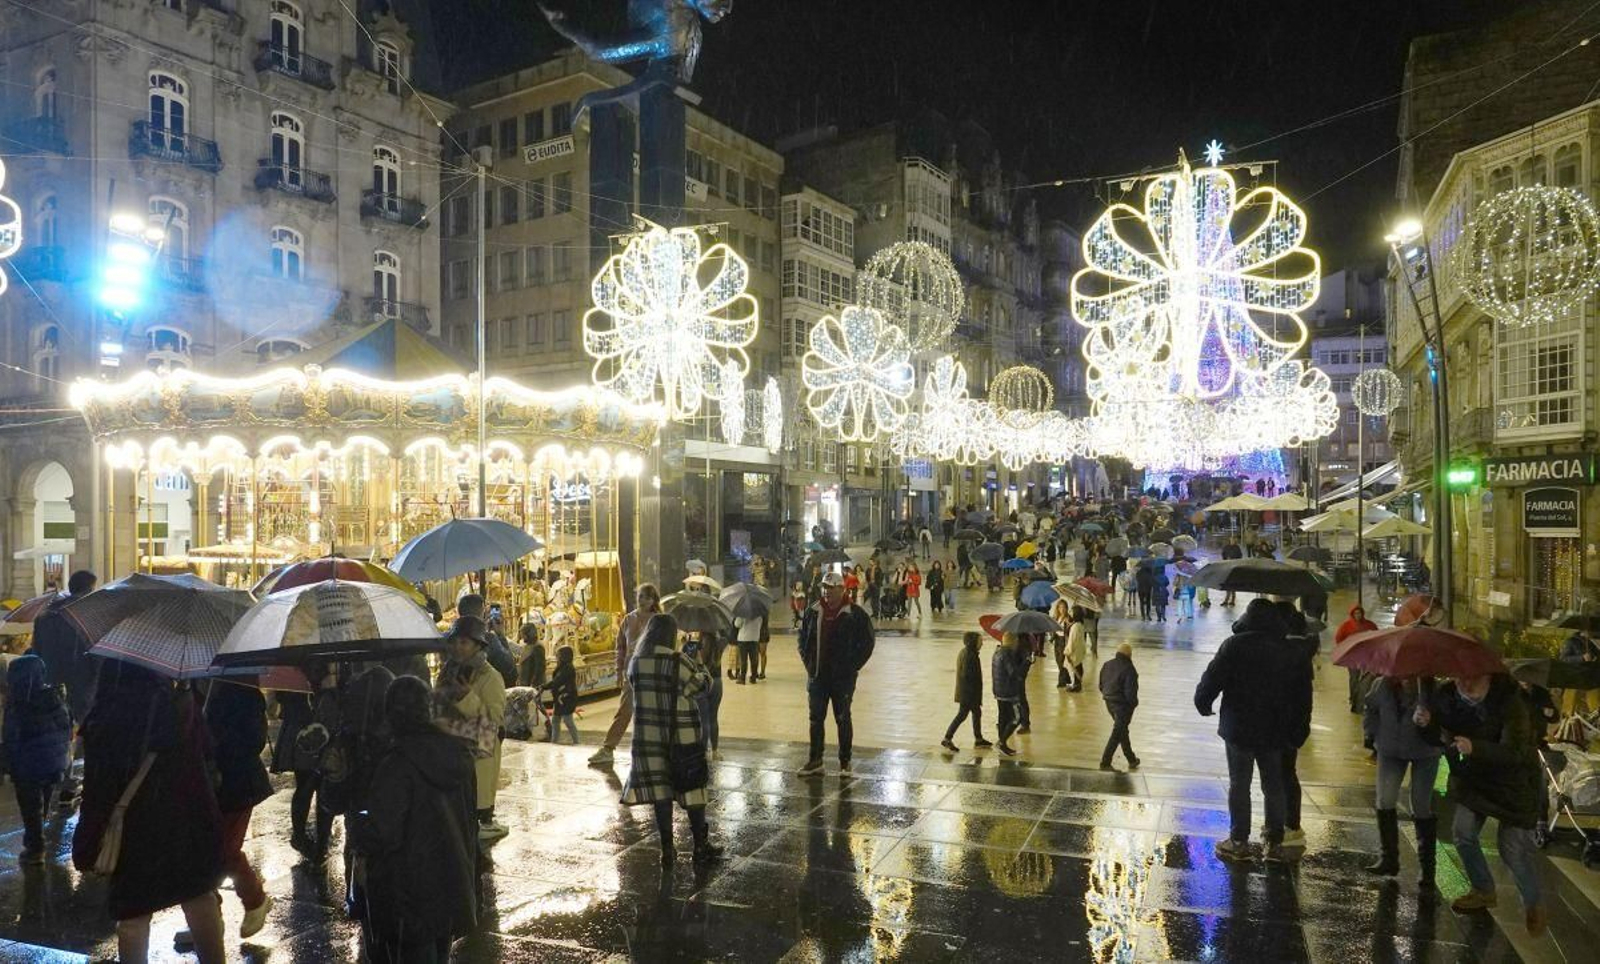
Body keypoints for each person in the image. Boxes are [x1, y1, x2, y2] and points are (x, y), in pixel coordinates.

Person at [74, 662, 225, 964]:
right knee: (198, 897)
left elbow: (99, 790)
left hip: (137, 831)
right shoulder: (181, 704)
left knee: (133, 917)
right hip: (189, 824)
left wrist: (87, 843)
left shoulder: (106, 715)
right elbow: (208, 760)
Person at [351, 675, 478, 964]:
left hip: (408, 895)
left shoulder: (397, 765)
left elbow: (383, 833)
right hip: (450, 884)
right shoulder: (458, 753)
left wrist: (358, 829)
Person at [1415, 674, 1544, 934]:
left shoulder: (1510, 701)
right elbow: (1438, 737)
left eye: (1474, 678)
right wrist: (1425, 724)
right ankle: (1483, 889)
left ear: (1488, 676)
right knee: (1463, 834)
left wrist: (1476, 747)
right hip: (1472, 781)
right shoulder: (1447, 696)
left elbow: (1516, 752)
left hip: (1514, 785)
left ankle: (1533, 904)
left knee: (1512, 852)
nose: (1466, 683)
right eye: (1461, 677)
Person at [1193, 599, 1313, 863]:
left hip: (1239, 728)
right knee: (1274, 786)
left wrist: (1203, 703)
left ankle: (1239, 841)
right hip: (1275, 730)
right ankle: (1273, 843)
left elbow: (1212, 678)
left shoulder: (1235, 645)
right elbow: (1303, 695)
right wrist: (1300, 727)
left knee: (1240, 784)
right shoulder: (1291, 650)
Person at [621, 614, 723, 865]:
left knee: (661, 794)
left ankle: (667, 850)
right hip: (681, 739)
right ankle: (701, 846)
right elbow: (702, 687)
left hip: (649, 741)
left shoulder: (636, 663)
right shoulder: (679, 662)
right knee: (693, 792)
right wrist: (698, 662)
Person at [203, 680, 275, 938]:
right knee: (204, 849)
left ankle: (255, 899)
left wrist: (216, 741)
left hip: (238, 783)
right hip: (207, 783)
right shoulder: (199, 687)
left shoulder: (244, 691)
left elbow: (253, 741)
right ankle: (207, 916)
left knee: (225, 849)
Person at [434, 615, 508, 843]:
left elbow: (493, 720)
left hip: (477, 745)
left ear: (478, 645)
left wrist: (466, 697)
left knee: (476, 794)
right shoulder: (448, 673)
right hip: (451, 743)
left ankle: (484, 821)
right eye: (455, 642)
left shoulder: (491, 677)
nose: (458, 647)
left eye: (464, 642)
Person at [1363, 677, 1442, 889]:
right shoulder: (1382, 685)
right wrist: (1371, 733)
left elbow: (1447, 720)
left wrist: (1430, 720)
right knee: (1385, 799)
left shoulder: (1432, 689)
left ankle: (1428, 868)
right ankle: (1389, 858)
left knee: (1420, 804)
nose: (1405, 676)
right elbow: (1370, 707)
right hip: (1390, 749)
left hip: (1425, 751)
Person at [797, 571, 875, 776]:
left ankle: (845, 761)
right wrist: (809, 662)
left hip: (842, 678)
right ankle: (815, 760)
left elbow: (867, 643)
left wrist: (852, 666)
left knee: (843, 717)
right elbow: (802, 638)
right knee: (815, 718)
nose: (826, 592)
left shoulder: (855, 613)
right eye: (824, 588)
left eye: (831, 588)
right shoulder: (813, 610)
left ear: (842, 589)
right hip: (818, 676)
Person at [31, 568, 98, 807]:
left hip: (51, 684)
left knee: (60, 733)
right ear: (89, 588)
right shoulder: (86, 616)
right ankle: (76, 784)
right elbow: (95, 656)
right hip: (82, 685)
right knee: (85, 734)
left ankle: (61, 780)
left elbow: (36, 652)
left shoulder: (45, 616)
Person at [3, 653, 70, 864]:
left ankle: (35, 848)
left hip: (27, 766)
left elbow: (13, 737)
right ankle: (36, 841)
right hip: (53, 763)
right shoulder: (54, 697)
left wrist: (9, 763)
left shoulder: (19, 704)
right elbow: (65, 728)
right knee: (43, 803)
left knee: (30, 806)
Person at [590, 583, 661, 765]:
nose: (642, 599)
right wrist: (619, 671)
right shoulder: (628, 619)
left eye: (646, 596)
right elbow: (620, 647)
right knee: (625, 710)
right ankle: (608, 748)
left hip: (650, 673)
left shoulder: (658, 620)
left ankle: (653, 750)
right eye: (640, 596)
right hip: (631, 672)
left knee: (651, 713)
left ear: (653, 600)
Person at [941, 632, 991, 751]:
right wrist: (972, 695)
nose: (982, 643)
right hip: (968, 693)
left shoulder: (967, 652)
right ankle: (947, 738)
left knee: (976, 713)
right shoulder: (970, 655)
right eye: (980, 641)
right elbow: (968, 676)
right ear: (973, 642)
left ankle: (978, 738)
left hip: (967, 692)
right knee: (962, 715)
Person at [456, 594, 517, 689]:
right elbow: (510, 670)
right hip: (485, 696)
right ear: (482, 613)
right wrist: (501, 635)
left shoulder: (451, 639)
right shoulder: (488, 639)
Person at [1098, 643, 1140, 771]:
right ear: (1129, 655)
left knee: (1122, 731)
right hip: (1122, 705)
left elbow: (1101, 685)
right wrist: (1133, 704)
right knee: (1118, 732)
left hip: (1109, 702)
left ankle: (1131, 759)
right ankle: (1105, 762)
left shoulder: (1107, 664)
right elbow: (1130, 693)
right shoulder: (1129, 669)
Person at [688, 630, 726, 755]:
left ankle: (703, 751)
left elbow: (697, 663)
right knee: (713, 718)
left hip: (703, 683)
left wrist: (689, 645)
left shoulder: (697, 645)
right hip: (717, 682)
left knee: (703, 719)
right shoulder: (721, 642)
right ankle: (715, 750)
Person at [1336, 605, 1379, 713]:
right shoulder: (1345, 626)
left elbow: (1376, 637)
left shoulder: (1370, 625)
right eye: (1355, 613)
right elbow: (1339, 638)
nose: (1358, 615)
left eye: (1359, 613)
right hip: (1352, 657)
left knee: (1365, 678)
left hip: (1366, 656)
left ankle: (1362, 697)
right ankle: (1353, 697)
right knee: (1354, 677)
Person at [991, 632, 1027, 757]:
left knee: (1003, 718)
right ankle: (1001, 742)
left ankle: (1003, 745)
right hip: (1008, 691)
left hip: (999, 690)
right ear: (1012, 641)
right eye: (1016, 641)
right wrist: (1026, 663)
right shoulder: (1007, 654)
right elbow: (1014, 673)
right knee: (1017, 718)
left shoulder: (998, 652)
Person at [545, 645, 580, 744]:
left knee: (568, 721)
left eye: (558, 654)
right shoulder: (563, 667)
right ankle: (554, 741)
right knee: (555, 721)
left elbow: (557, 681)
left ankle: (576, 741)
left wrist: (544, 686)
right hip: (560, 699)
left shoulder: (567, 668)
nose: (556, 656)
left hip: (566, 698)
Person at [733, 611, 766, 684]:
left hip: (743, 639)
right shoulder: (759, 614)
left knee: (743, 660)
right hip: (754, 639)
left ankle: (742, 678)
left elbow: (737, 624)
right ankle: (753, 678)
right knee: (754, 659)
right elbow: (760, 625)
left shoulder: (742, 613)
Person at [517, 622, 548, 689]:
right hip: (525, 684)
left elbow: (539, 668)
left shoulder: (537, 647)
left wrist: (533, 684)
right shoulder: (526, 646)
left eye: (523, 634)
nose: (522, 637)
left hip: (532, 685)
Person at [1219, 538, 1243, 606]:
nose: (1232, 541)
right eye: (1231, 540)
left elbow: (1240, 556)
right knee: (1227, 584)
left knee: (1232, 585)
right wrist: (1226, 558)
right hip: (1227, 566)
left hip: (1234, 567)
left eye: (1233, 540)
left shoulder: (1237, 548)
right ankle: (1226, 600)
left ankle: (1232, 600)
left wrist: (1234, 559)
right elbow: (1223, 554)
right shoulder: (1226, 547)